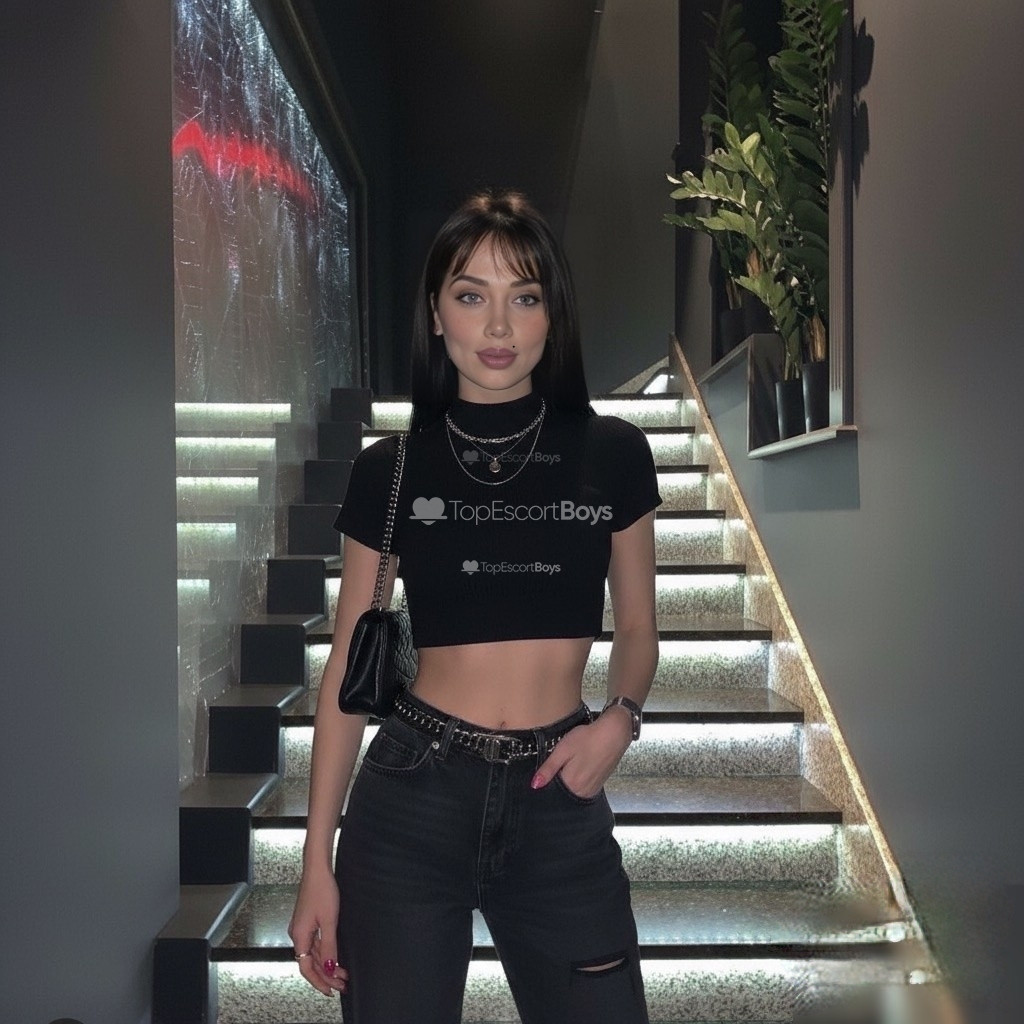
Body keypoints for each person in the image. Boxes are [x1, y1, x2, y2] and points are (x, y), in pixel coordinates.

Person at [289, 189, 662, 1023]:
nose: (498, 326)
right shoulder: (390, 470)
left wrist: (621, 719)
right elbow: (348, 665)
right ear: (436, 314)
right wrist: (316, 860)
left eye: (524, 298)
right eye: (471, 296)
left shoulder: (614, 452)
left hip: (559, 796)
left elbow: (638, 628)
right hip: (412, 796)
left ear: (552, 315)